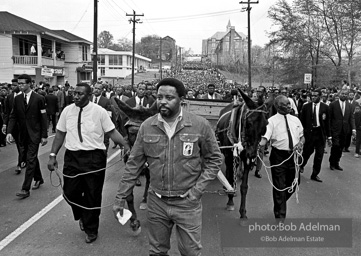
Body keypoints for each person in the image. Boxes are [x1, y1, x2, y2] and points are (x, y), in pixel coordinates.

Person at [113, 78, 222, 256]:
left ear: (181, 100)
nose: (162, 101)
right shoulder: (147, 127)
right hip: (157, 203)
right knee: (157, 251)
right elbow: (133, 165)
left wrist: (197, 190)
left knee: (191, 252)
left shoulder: (199, 125)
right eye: (159, 97)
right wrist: (120, 198)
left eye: (169, 97)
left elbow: (215, 159)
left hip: (188, 203)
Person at [47, 83, 130, 243]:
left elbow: (111, 131)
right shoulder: (67, 110)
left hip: (94, 158)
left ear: (89, 95)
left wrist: (125, 146)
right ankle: (82, 216)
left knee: (92, 194)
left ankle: (91, 229)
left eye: (79, 94)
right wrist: (52, 155)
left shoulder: (99, 111)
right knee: (69, 193)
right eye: (74, 93)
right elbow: (60, 133)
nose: (75, 96)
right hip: (72, 157)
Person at [259, 95, 304, 220]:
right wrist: (258, 146)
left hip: (293, 157)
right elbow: (265, 138)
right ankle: (280, 216)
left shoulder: (296, 120)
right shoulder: (271, 121)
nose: (290, 106)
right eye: (286, 105)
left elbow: (302, 136)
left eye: (289, 104)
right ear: (278, 107)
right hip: (279, 157)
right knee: (279, 186)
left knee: (294, 184)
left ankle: (279, 203)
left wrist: (300, 144)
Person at [6, 74, 48, 198]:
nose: (20, 86)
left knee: (30, 160)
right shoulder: (17, 99)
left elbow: (43, 117)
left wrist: (44, 135)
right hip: (22, 134)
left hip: (35, 134)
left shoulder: (39, 98)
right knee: (29, 157)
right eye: (19, 84)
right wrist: (9, 132)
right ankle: (39, 178)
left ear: (30, 84)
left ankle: (25, 189)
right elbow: (13, 116)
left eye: (23, 83)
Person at [299, 89, 331, 182]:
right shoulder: (306, 107)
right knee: (306, 152)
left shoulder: (325, 107)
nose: (313, 97)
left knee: (319, 155)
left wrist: (329, 136)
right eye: (312, 96)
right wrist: (301, 135)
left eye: (315, 96)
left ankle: (315, 174)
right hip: (309, 134)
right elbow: (302, 122)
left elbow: (327, 123)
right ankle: (301, 165)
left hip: (320, 134)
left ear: (320, 97)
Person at [2, 79, 25, 173]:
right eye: (12, 85)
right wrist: (5, 124)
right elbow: (7, 112)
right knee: (19, 145)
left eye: (15, 85)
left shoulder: (24, 97)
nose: (12, 87)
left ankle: (20, 164)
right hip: (13, 125)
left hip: (23, 125)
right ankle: (23, 159)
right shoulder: (10, 97)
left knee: (21, 144)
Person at [328, 89, 355, 171]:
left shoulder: (349, 106)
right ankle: (332, 162)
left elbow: (351, 118)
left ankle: (337, 162)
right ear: (339, 94)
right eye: (342, 94)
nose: (344, 95)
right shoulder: (333, 105)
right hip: (335, 129)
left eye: (346, 94)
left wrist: (353, 129)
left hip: (345, 130)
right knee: (335, 145)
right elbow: (329, 119)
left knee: (341, 146)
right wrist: (329, 131)